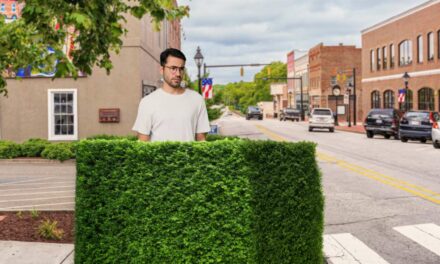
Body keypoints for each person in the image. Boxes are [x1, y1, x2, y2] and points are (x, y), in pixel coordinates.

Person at [132, 48, 210, 142]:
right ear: (162, 69)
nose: (178, 73)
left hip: (189, 157)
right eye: (173, 68)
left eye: (181, 69)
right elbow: (142, 144)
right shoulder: (147, 102)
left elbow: (201, 140)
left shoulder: (197, 99)